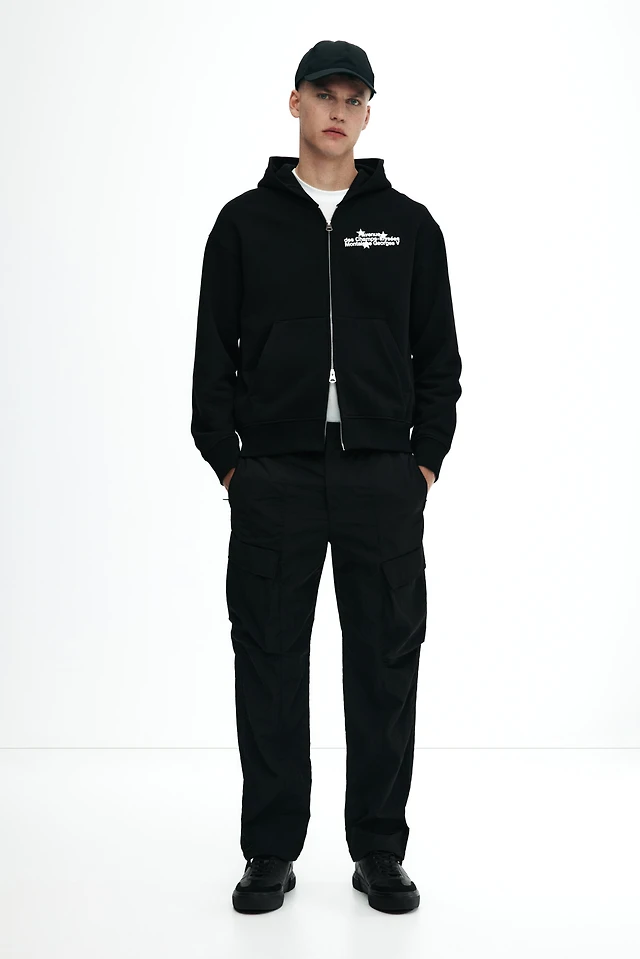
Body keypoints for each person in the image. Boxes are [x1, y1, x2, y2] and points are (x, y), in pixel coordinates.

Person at [191, 39, 462, 914]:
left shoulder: (408, 224)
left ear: (368, 113)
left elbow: (439, 358)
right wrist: (233, 464)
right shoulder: (244, 223)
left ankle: (379, 847)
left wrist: (423, 462)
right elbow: (212, 357)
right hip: (275, 475)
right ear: (295, 103)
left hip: (382, 476)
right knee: (270, 659)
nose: (338, 111)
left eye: (354, 98)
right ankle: (270, 848)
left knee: (385, 661)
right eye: (323, 94)